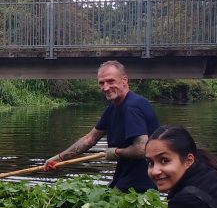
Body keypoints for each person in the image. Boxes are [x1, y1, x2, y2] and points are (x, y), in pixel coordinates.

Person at [43, 60, 159, 192]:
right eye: (101, 83)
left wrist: (116, 152)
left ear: (124, 80)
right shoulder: (113, 108)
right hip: (125, 174)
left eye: (110, 81)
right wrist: (58, 159)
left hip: (143, 180)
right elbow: (89, 139)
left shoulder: (132, 107)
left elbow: (142, 149)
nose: (105, 87)